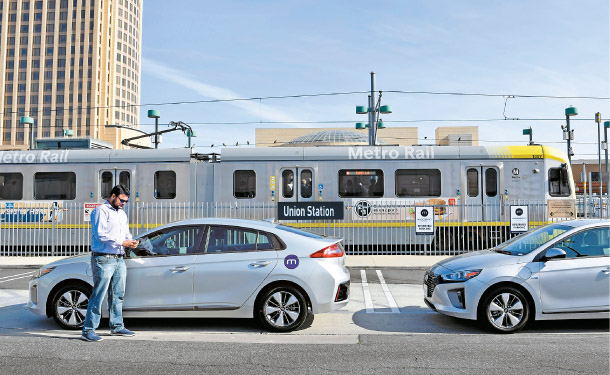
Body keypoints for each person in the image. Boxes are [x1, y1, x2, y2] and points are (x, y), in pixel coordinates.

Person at [81, 184, 139, 342]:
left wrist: (131, 241)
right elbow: (101, 235)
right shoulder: (101, 210)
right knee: (98, 294)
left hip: (119, 258)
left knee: (118, 294)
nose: (123, 204)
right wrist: (123, 242)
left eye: (126, 201)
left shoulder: (122, 214)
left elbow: (125, 232)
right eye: (122, 200)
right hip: (103, 258)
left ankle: (117, 326)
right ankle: (88, 330)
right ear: (113, 196)